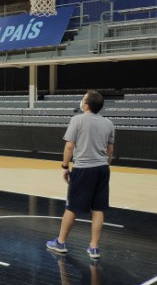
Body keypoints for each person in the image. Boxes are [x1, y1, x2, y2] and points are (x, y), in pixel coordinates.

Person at [47, 90, 114, 260]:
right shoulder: (109, 123)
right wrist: (104, 166)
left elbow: (69, 147)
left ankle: (60, 243)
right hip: (102, 169)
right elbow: (110, 151)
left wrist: (64, 166)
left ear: (86, 105)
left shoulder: (77, 120)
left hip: (83, 169)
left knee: (72, 207)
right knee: (98, 208)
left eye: (83, 99)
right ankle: (94, 247)